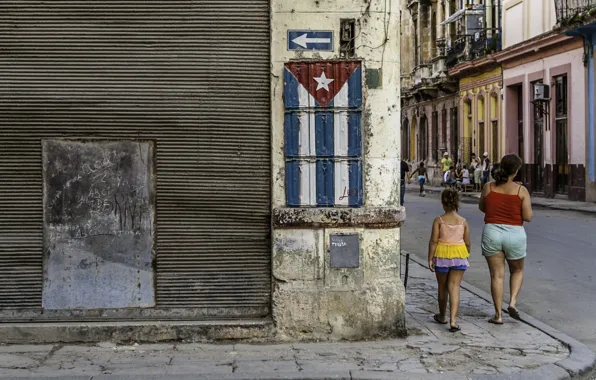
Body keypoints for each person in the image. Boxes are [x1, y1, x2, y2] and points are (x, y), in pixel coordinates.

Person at [479, 154, 533, 325]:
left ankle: (498, 315)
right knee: (516, 270)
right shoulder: (520, 190)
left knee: (497, 275)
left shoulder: (488, 187)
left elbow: (482, 207)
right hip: (515, 233)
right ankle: (512, 302)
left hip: (492, 231)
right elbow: (528, 217)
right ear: (516, 171)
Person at [428, 188, 471, 332]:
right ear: (457, 203)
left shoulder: (438, 220)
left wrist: (430, 257)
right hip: (459, 255)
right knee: (455, 287)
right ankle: (453, 321)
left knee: (442, 287)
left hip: (442, 256)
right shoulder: (463, 221)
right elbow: (467, 242)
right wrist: (466, 253)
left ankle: (442, 316)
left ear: (442, 204)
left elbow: (433, 241)